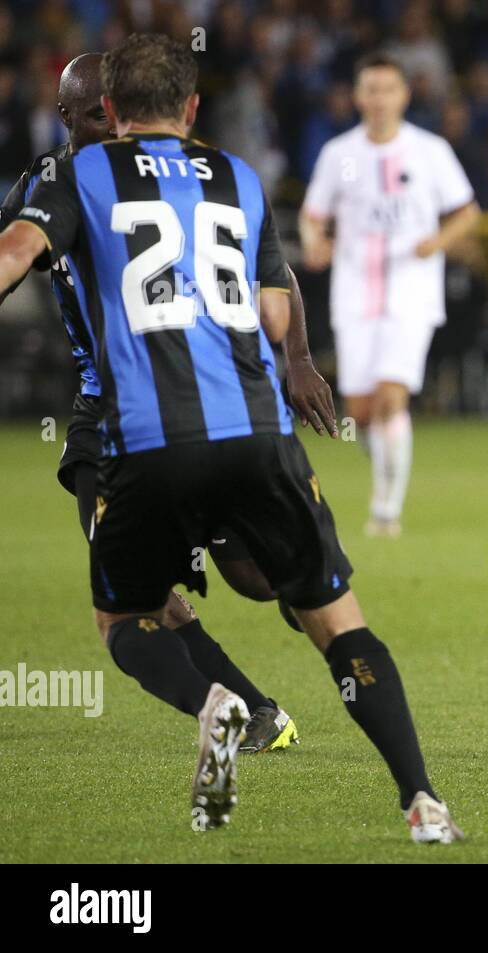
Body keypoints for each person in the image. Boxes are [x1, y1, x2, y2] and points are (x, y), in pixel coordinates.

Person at [0, 34, 462, 842]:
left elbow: (14, 252)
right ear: (192, 107)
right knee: (336, 619)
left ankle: (216, 701)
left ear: (107, 111)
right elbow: (275, 300)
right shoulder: (236, 175)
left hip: (138, 431)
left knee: (132, 616)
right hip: (254, 425)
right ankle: (421, 800)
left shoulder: (70, 174)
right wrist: (300, 363)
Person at [0, 52, 339, 753]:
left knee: (252, 578)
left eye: (119, 111)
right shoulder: (54, 184)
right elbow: (11, 251)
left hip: (206, 403)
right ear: (67, 119)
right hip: (111, 417)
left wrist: (299, 358)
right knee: (137, 593)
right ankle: (248, 710)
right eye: (98, 116)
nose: (116, 127)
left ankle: (294, 580)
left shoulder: (182, 176)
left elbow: (268, 265)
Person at [300, 53, 481, 537]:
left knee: (390, 396)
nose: (379, 99)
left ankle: (386, 509)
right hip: (355, 290)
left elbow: (467, 211)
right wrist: (314, 240)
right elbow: (313, 213)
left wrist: (435, 243)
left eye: (388, 89)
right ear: (359, 97)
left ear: (404, 95)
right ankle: (383, 471)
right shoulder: (339, 153)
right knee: (358, 411)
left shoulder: (430, 151)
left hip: (411, 291)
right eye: (371, 90)